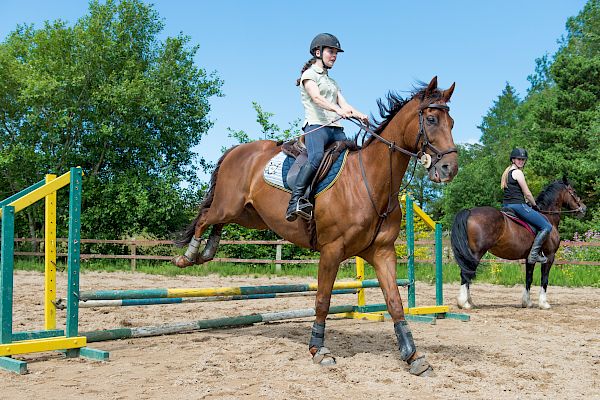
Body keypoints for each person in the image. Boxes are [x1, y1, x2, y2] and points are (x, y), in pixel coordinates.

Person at [285, 33, 369, 222]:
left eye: (336, 53)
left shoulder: (332, 82)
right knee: (315, 158)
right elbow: (317, 98)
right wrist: (337, 109)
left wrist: (360, 114)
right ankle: (295, 202)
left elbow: (345, 105)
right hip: (317, 126)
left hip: (336, 129)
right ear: (318, 52)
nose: (334, 56)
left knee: (354, 158)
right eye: (331, 51)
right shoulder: (309, 75)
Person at [501, 148, 553, 263]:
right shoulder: (518, 172)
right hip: (518, 206)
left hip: (506, 205)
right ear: (513, 159)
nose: (521, 161)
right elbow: (527, 193)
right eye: (519, 159)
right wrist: (534, 205)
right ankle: (534, 255)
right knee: (547, 226)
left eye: (523, 159)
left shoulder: (507, 172)